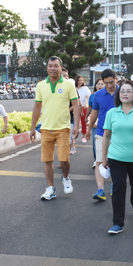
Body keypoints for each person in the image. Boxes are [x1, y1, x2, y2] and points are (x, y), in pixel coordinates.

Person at [30, 56, 79, 200]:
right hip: (46, 129)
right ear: (47, 67)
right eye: (50, 65)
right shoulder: (41, 85)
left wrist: (76, 125)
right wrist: (32, 127)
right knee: (47, 160)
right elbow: (37, 107)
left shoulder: (69, 84)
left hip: (63, 127)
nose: (53, 68)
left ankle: (65, 177)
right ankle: (50, 188)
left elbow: (76, 105)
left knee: (64, 159)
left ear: (60, 68)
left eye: (55, 66)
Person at [103, 81, 133, 234]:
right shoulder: (112, 113)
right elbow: (106, 136)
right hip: (116, 157)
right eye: (122, 91)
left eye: (129, 91)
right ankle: (118, 223)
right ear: (118, 94)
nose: (125, 94)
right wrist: (104, 157)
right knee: (118, 188)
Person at [86, 69, 118, 201]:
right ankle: (100, 189)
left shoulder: (123, 92)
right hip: (101, 132)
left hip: (119, 134)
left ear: (116, 79)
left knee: (116, 163)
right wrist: (88, 129)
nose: (109, 85)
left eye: (112, 82)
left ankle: (114, 186)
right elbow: (94, 113)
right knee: (100, 160)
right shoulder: (98, 95)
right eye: (106, 83)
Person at [86, 78, 105, 168]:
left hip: (105, 122)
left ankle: (105, 160)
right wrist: (86, 117)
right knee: (95, 142)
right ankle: (96, 160)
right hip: (94, 122)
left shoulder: (108, 96)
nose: (100, 86)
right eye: (98, 84)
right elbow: (89, 108)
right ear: (95, 86)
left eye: (102, 84)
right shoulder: (92, 96)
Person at [75, 75, 91, 143]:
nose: (80, 82)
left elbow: (87, 97)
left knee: (84, 122)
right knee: (75, 122)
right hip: (75, 107)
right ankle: (74, 137)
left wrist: (86, 103)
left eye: (81, 80)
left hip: (84, 107)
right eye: (79, 80)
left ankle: (83, 136)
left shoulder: (85, 88)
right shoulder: (73, 88)